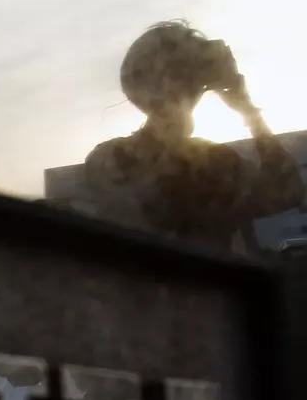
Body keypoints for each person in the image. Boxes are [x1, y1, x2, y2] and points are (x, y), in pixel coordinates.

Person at [81, 21, 303, 251]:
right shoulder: (218, 165)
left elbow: (289, 194)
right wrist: (246, 107)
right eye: (177, 74)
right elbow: (287, 193)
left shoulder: (107, 160)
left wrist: (246, 108)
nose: (176, 87)